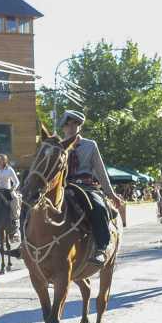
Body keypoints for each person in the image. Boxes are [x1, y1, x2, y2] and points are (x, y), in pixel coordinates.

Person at [57, 111, 124, 266]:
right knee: (35, 206)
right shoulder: (58, 147)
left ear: (79, 126)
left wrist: (111, 194)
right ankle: (27, 245)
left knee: (98, 207)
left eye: (74, 124)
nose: (71, 127)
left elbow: (100, 171)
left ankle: (101, 248)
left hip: (85, 186)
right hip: (64, 186)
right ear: (63, 128)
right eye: (67, 124)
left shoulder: (90, 145)